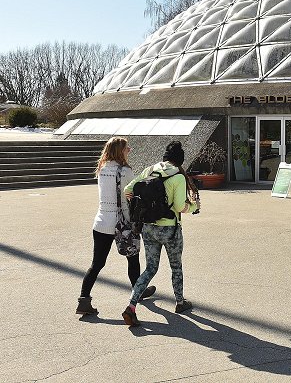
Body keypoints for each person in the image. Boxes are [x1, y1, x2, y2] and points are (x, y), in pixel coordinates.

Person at [121, 141, 200, 326]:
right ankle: (180, 302)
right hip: (170, 229)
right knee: (176, 267)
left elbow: (127, 190)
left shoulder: (150, 169)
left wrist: (144, 208)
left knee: (150, 268)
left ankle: (131, 306)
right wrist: (194, 206)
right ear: (180, 160)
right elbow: (180, 206)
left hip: (148, 227)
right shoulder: (178, 177)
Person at [76, 137, 155, 316]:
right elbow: (132, 195)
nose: (130, 150)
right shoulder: (125, 171)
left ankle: (83, 300)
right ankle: (138, 291)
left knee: (96, 264)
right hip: (123, 223)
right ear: (120, 150)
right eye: (127, 148)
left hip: (101, 222)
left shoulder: (102, 169)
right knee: (133, 259)